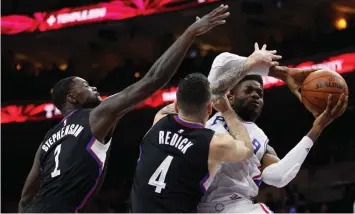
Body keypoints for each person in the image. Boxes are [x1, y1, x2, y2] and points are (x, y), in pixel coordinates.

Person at [18, 4, 230, 213]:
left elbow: (26, 198)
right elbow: (153, 79)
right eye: (85, 85)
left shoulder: (48, 140)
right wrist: (190, 33)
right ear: (72, 98)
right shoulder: (94, 116)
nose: (93, 87)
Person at [131, 42, 282, 212]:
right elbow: (246, 150)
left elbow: (207, 94)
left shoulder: (160, 120)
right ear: (210, 108)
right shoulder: (213, 144)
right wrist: (227, 111)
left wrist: (249, 63)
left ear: (177, 105)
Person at [197, 51, 348, 213]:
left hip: (237, 206)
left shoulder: (261, 139)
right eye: (248, 90)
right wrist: (281, 73)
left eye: (260, 94)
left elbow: (279, 176)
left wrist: (316, 128)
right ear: (230, 96)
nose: (256, 95)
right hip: (195, 206)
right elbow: (223, 60)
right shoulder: (207, 111)